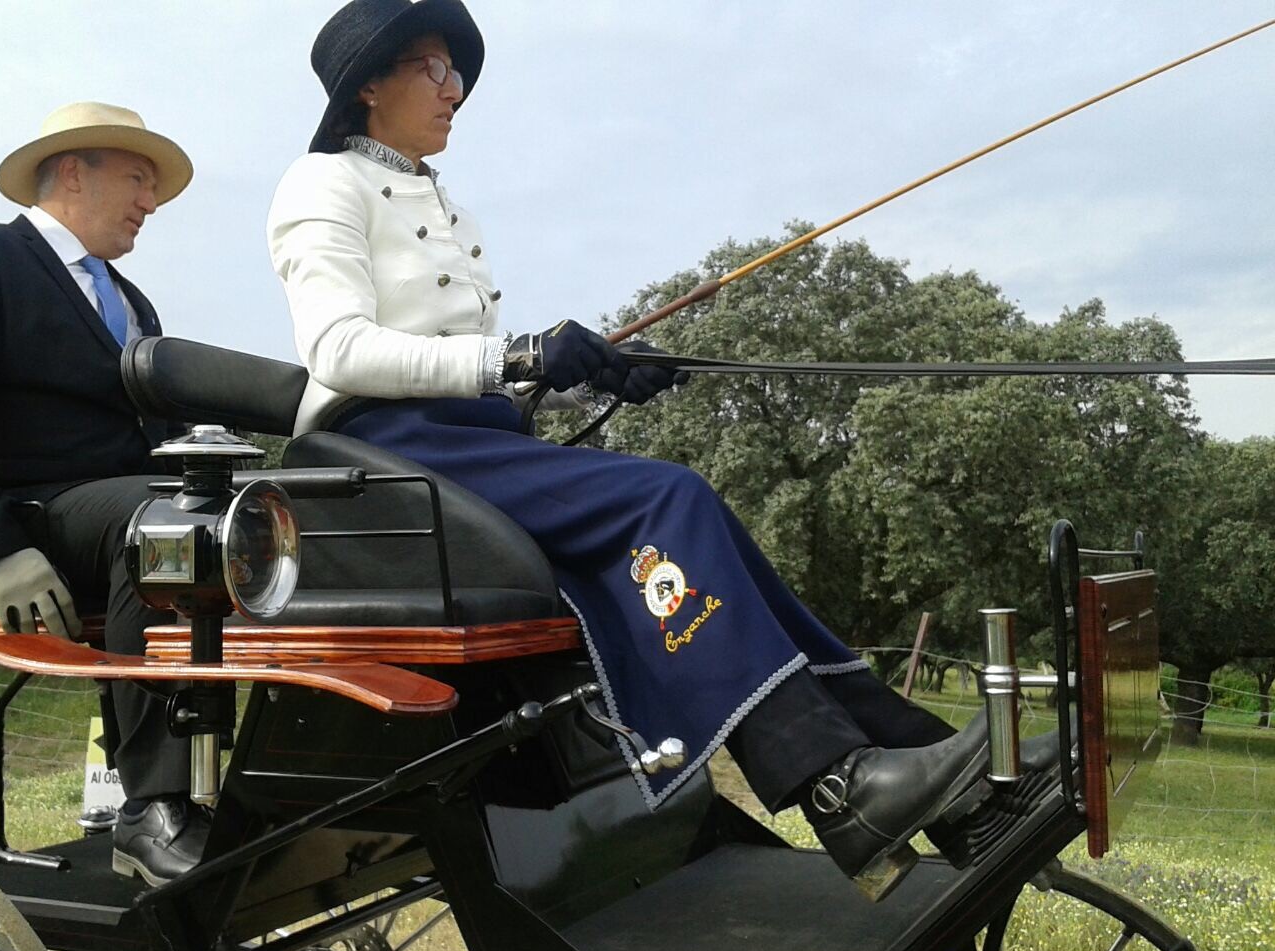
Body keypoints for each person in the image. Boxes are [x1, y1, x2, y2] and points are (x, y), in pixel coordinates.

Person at [267, 0, 996, 900]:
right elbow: (337, 351)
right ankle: (838, 787)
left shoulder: (446, 203)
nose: (454, 88)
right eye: (431, 67)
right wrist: (522, 353)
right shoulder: (321, 183)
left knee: (705, 521)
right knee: (670, 498)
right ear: (367, 86)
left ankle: (913, 755)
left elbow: (486, 373)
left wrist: (592, 375)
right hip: (385, 452)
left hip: (470, 440)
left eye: (457, 71)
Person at [0, 101, 207, 885]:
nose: (151, 201)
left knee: (246, 516)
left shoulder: (135, 304)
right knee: (168, 523)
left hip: (129, 510)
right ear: (74, 169)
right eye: (140, 179)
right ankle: (152, 808)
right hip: (28, 520)